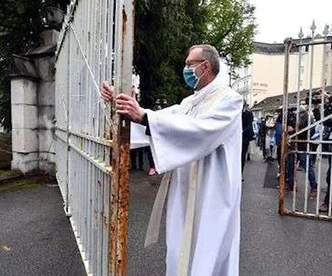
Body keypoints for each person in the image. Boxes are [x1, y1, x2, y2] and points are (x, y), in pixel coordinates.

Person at [101, 44, 242, 276]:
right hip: (185, 189)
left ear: (205, 66)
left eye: (189, 64)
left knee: (208, 250)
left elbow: (201, 129)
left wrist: (145, 116)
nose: (185, 69)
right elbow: (159, 121)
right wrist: (119, 101)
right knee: (181, 250)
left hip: (213, 192)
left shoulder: (230, 100)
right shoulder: (189, 103)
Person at [241, 102, 254, 172]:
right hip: (236, 138)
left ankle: (240, 173)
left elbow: (249, 125)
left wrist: (242, 130)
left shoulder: (249, 114)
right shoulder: (236, 114)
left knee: (242, 155)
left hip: (244, 137)